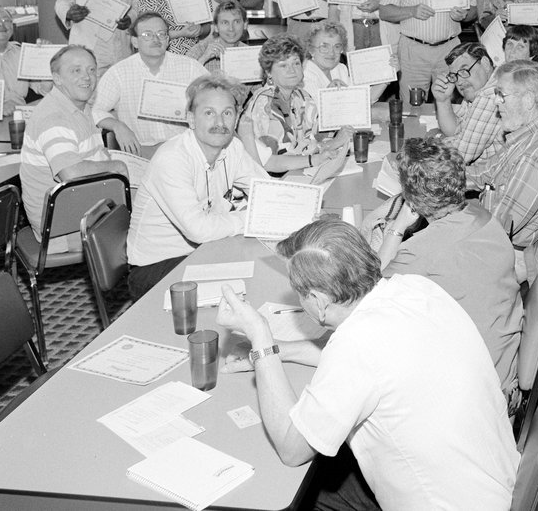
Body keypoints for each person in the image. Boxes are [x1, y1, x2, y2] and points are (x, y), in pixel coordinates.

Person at [213, 219, 519, 511]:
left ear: (319, 301)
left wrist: (261, 338)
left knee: (298, 496)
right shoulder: (415, 288)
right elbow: (378, 367)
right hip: (493, 484)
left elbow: (291, 449)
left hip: (443, 504)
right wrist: (281, 352)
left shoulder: (356, 347)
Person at [376, 137, 522, 400]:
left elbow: (370, 293)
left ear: (412, 198)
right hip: (503, 364)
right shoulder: (484, 217)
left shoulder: (421, 251)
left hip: (475, 392)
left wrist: (397, 228)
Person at [126, 73, 273, 297]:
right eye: (209, 113)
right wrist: (250, 219)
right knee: (248, 286)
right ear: (191, 119)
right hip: (156, 267)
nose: (219, 123)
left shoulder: (232, 147)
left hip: (204, 251)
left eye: (227, 113)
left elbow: (268, 192)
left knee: (264, 268)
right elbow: (199, 230)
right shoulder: (173, 159)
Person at [18, 45, 128, 253]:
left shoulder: (79, 106)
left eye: (91, 70)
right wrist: (118, 166)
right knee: (156, 228)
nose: (87, 77)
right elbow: (70, 172)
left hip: (84, 209)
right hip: (64, 230)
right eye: (76, 70)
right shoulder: (54, 118)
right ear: (57, 78)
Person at [468, 60, 538, 284]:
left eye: (501, 95)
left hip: (519, 258)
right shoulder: (527, 135)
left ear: (529, 100)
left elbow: (497, 229)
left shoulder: (535, 155)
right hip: (504, 243)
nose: (496, 102)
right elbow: (485, 172)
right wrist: (438, 175)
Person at [92, 11, 206, 156]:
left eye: (161, 34)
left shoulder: (190, 67)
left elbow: (213, 99)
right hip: (141, 151)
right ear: (134, 42)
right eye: (147, 35)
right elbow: (96, 110)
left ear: (168, 39)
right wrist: (118, 126)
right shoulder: (118, 73)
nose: (156, 39)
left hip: (184, 149)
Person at [238, 34, 349, 176]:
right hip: (275, 179)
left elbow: (317, 136)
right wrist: (329, 147)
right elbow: (273, 160)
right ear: (268, 72)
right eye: (283, 65)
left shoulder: (301, 96)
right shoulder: (266, 102)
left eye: (296, 63)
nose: (292, 70)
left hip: (301, 172)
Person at [432, 42, 503, 166]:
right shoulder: (478, 89)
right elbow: (454, 130)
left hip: (487, 178)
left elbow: (460, 155)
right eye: (454, 76)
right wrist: (443, 100)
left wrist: (432, 143)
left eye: (464, 71)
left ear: (485, 64)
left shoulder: (489, 94)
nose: (459, 81)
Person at [188, 0, 254, 107]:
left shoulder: (250, 55)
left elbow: (261, 92)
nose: (231, 29)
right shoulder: (200, 50)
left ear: (245, 25)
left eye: (236, 22)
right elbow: (184, 82)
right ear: (216, 27)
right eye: (225, 23)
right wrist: (204, 58)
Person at [0, 5, 47, 113]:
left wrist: (46, 60)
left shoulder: (21, 53)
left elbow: (43, 89)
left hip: (20, 116)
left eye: (6, 20)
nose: (1, 24)